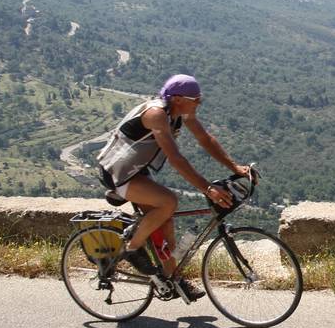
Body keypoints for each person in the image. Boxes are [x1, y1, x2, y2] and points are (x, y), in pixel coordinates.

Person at [95, 74, 251, 300]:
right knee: (168, 202)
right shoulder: (156, 114)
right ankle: (132, 249)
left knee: (165, 222)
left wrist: (234, 167)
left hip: (136, 170)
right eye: (195, 99)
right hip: (116, 172)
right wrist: (208, 189)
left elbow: (205, 139)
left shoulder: (179, 112)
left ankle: (172, 279)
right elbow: (176, 158)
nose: (199, 103)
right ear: (178, 99)